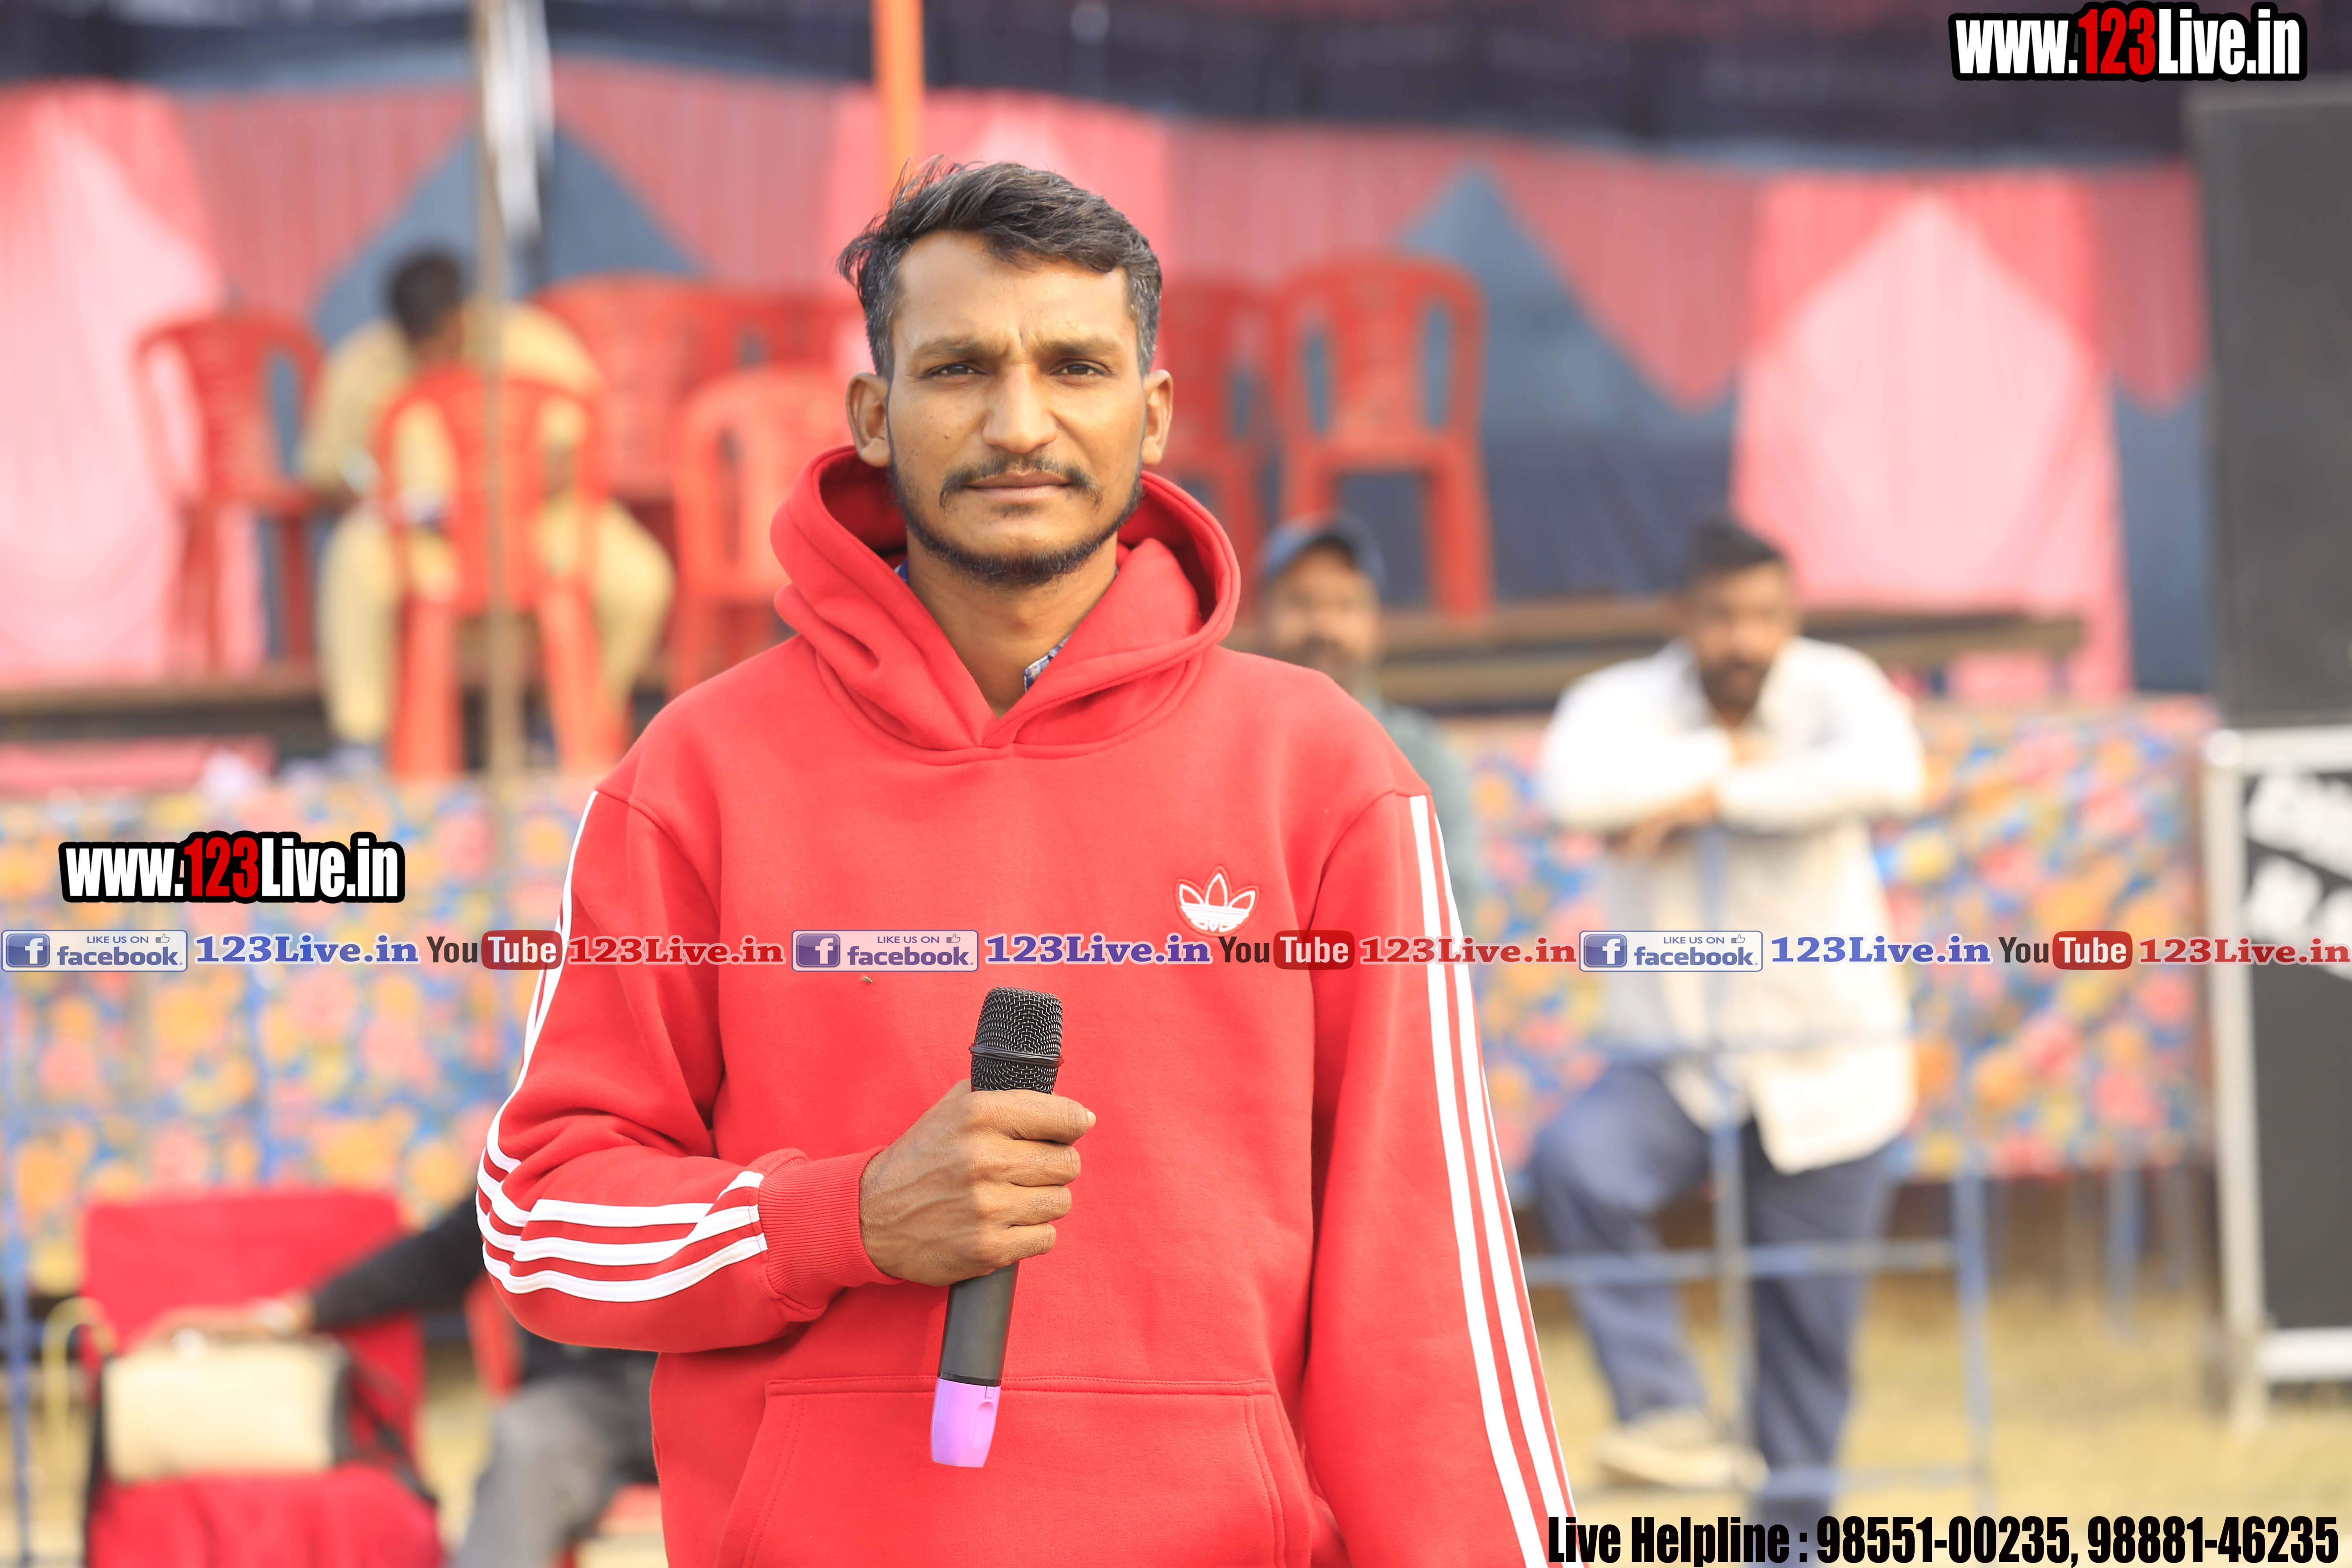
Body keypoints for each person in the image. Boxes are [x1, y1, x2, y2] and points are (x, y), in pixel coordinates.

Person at [478, 161, 1570, 1566]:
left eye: (1074, 366)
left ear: (1152, 413)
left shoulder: (1324, 775)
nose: (1019, 422)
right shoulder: (698, 775)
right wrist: (841, 1218)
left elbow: (1431, 1291)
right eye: (959, 368)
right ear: (875, 413)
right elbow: (544, 1216)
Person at [1528, 516, 1925, 1529]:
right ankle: (1662, 1408)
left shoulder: (1839, 686)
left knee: (1805, 1347)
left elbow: (1893, 775)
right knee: (1577, 1163)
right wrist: (1723, 759)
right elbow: (1571, 790)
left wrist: (1713, 797)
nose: (1744, 640)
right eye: (1721, 617)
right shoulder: (1614, 701)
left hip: (1829, 1071)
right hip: (1671, 1062)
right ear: (1680, 617)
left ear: (1791, 616)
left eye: (1764, 616)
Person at [298, 249, 675, 767]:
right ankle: (360, 743)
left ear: (465, 312)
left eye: (442, 335)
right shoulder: (362, 365)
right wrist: (384, 499)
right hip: (422, 544)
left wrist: (503, 497)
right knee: (352, 559)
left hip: (541, 526)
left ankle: (563, 728)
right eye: (418, 342)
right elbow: (326, 478)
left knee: (640, 579)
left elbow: (581, 451)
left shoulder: (534, 346)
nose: (431, 353)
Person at [145, 1197, 658, 1567]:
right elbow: (441, 1255)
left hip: (698, 1384)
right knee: (523, 1443)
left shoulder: (709, 1130)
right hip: (580, 1397)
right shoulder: (547, 1145)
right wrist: (281, 1318)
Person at [1259, 511, 1487, 922]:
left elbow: (1456, 906)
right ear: (1263, 617)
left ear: (1378, 626)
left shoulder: (1422, 756)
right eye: (1300, 602)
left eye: (1345, 605)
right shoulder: (1234, 748)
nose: (1323, 624)